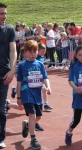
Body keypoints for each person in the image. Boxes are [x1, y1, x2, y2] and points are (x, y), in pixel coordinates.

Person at [17, 40, 51, 149]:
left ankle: (27, 125)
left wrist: (48, 86)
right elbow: (19, 82)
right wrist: (18, 96)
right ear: (25, 52)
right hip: (26, 93)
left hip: (37, 94)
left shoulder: (40, 64)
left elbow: (45, 77)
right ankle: (33, 139)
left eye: (35, 52)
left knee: (39, 117)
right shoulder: (22, 65)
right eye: (30, 52)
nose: (33, 54)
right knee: (32, 115)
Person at [0, 3, 17, 148]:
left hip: (4, 74)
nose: (4, 16)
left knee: (1, 108)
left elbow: (13, 51)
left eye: (5, 13)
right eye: (1, 14)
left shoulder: (9, 29)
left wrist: (12, 70)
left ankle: (1, 138)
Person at [36, 43, 53, 111]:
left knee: (44, 89)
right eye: (42, 52)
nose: (44, 53)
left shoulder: (42, 57)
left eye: (44, 51)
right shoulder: (35, 57)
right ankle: (16, 90)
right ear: (38, 50)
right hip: (35, 76)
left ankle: (45, 104)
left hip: (41, 76)